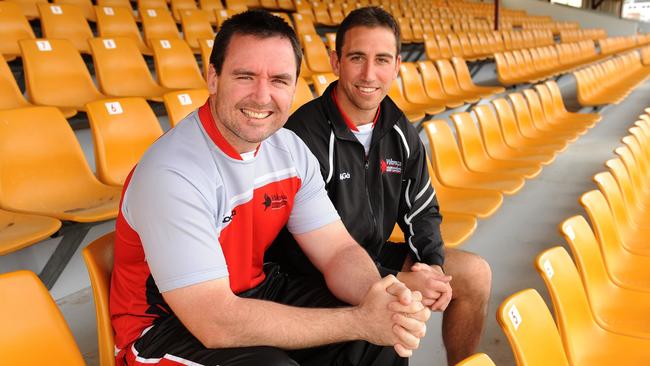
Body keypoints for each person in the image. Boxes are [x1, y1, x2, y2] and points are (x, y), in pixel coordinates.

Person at [109, 10, 432, 366]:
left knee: (381, 336)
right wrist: (358, 322)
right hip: (166, 327)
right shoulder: (172, 173)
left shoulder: (290, 151)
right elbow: (215, 322)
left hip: (255, 290)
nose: (262, 96)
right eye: (245, 76)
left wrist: (376, 299)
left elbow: (338, 251)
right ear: (213, 77)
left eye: (279, 80)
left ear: (295, 85)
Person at [266, 7, 492, 365]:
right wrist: (394, 279)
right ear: (335, 62)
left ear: (398, 65)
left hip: (372, 251)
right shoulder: (304, 136)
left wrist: (429, 267)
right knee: (395, 306)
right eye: (357, 58)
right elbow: (300, 252)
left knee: (473, 274)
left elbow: (422, 211)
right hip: (315, 272)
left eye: (382, 60)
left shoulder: (399, 129)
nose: (369, 74)